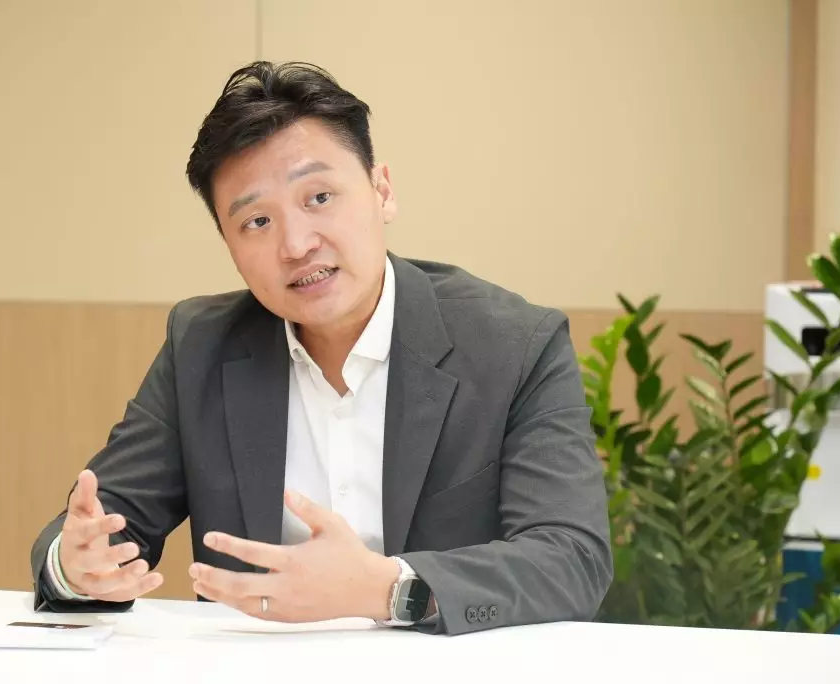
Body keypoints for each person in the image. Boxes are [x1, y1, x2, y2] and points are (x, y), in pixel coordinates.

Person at [30, 61, 612, 635]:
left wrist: (389, 590)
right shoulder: (201, 345)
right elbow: (104, 523)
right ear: (228, 244)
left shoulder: (515, 345)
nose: (296, 244)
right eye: (257, 222)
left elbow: (571, 558)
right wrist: (76, 566)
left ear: (382, 191)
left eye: (319, 197)